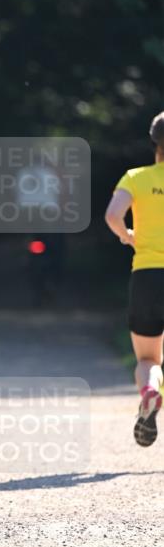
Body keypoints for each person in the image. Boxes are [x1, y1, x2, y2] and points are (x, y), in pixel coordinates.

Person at [104, 111, 164, 446]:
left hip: (147, 276)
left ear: (155, 141)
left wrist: (127, 236)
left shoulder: (136, 177)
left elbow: (113, 215)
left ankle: (150, 390)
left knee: (147, 359)